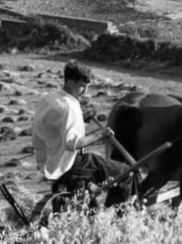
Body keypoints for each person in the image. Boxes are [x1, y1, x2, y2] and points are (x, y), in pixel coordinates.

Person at [32, 60, 139, 208]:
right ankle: (118, 214)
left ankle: (92, 207)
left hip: (48, 159)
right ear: (70, 83)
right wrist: (100, 135)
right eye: (83, 86)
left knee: (90, 202)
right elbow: (71, 144)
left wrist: (81, 119)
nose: (86, 91)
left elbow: (54, 123)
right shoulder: (70, 107)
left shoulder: (48, 97)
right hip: (70, 163)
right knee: (126, 172)